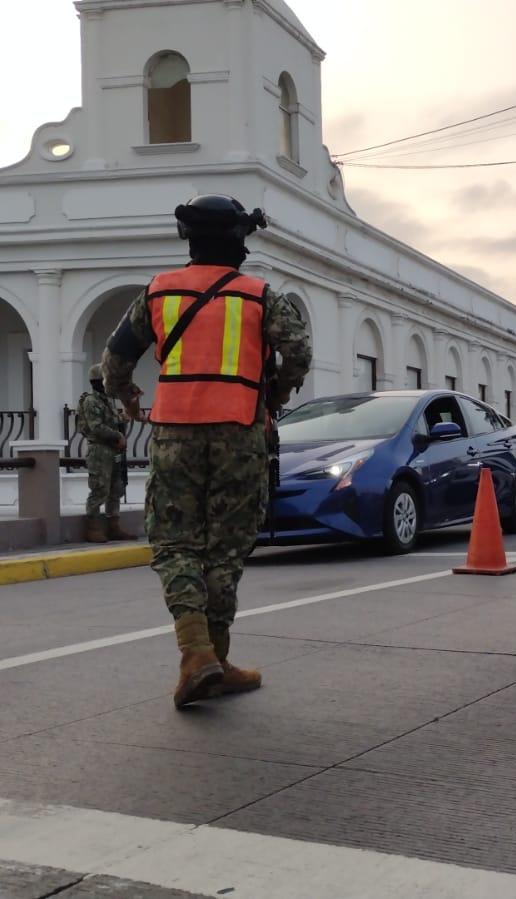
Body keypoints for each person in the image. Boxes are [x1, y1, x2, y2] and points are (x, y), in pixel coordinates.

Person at [102, 194, 311, 708]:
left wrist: (128, 397)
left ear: (188, 239)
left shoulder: (158, 292)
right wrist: (276, 393)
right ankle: (209, 655)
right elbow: (299, 353)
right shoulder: (261, 296)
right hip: (240, 430)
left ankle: (200, 655)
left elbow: (115, 360)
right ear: (240, 241)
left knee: (175, 544)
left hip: (174, 432)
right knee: (225, 548)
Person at [77, 364, 134, 543]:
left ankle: (113, 525)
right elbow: (97, 427)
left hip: (113, 449)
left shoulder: (107, 400)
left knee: (116, 488)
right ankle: (93, 527)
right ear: (99, 381)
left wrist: (123, 417)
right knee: (100, 487)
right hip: (100, 450)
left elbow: (112, 420)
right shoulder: (91, 401)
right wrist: (117, 435)